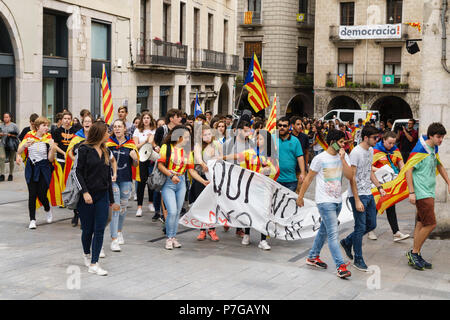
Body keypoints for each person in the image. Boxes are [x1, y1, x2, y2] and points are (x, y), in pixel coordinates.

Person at [296, 129, 352, 278]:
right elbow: (308, 179)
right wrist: (300, 197)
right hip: (324, 201)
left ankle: (312, 257)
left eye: (343, 143)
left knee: (324, 230)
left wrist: (343, 159)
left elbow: (350, 175)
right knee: (333, 235)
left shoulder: (344, 156)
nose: (343, 146)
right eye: (340, 142)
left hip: (337, 201)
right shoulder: (320, 158)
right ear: (332, 142)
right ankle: (340, 266)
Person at [340, 125, 386, 272]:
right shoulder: (356, 153)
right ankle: (358, 259)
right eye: (374, 138)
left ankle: (347, 241)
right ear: (366, 138)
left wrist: (379, 186)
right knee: (360, 227)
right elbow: (352, 178)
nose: (376, 140)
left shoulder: (371, 150)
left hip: (368, 193)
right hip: (357, 195)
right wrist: (357, 199)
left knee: (371, 224)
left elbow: (368, 170)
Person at [405, 123, 450, 271]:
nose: (441, 140)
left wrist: (448, 182)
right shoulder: (420, 149)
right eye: (438, 137)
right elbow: (408, 170)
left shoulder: (433, 148)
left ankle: (415, 254)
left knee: (421, 223)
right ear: (430, 135)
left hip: (428, 192)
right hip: (422, 193)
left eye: (442, 137)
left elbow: (439, 165)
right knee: (431, 224)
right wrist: (412, 192)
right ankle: (414, 253)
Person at [225, 129, 279, 249]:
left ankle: (263, 240)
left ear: (267, 141)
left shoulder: (271, 155)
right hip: (250, 187)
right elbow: (237, 156)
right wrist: (221, 157)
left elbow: (276, 169)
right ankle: (247, 234)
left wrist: (268, 170)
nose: (258, 141)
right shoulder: (250, 152)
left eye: (260, 139)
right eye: (257, 139)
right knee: (249, 209)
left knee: (264, 212)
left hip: (265, 188)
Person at [157, 125, 209, 250]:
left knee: (177, 212)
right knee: (172, 211)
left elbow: (191, 171)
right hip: (168, 182)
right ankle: (169, 238)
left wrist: (203, 181)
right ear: (178, 137)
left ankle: (173, 237)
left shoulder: (187, 152)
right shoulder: (166, 147)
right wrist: (171, 175)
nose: (187, 140)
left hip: (181, 183)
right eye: (185, 137)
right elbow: (160, 165)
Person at [75, 121, 114, 276]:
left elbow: (108, 176)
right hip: (87, 197)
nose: (109, 134)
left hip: (102, 195)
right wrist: (84, 192)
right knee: (87, 230)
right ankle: (86, 253)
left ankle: (94, 262)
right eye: (107, 131)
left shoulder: (106, 150)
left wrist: (111, 200)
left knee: (99, 229)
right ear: (100, 133)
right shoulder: (83, 149)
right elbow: (77, 173)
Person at [17, 117, 57, 229]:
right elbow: (19, 151)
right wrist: (25, 145)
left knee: (41, 193)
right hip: (32, 167)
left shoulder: (48, 138)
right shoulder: (29, 135)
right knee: (32, 194)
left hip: (44, 168)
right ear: (38, 126)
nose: (47, 128)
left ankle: (47, 208)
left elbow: (50, 159)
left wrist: (52, 148)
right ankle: (32, 220)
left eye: (47, 125)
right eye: (44, 125)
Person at [370, 131, 410, 242]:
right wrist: (381, 170)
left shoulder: (395, 150)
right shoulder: (375, 151)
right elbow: (369, 167)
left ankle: (396, 232)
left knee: (390, 205)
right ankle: (370, 229)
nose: (391, 145)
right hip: (379, 183)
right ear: (383, 140)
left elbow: (401, 164)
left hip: (391, 183)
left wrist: (403, 173)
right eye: (389, 143)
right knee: (377, 206)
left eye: (393, 143)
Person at [107, 119, 139, 252]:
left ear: (125, 128)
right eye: (115, 127)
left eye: (120, 126)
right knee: (115, 207)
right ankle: (114, 239)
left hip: (126, 179)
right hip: (112, 180)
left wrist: (135, 158)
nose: (117, 129)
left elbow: (136, 165)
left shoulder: (131, 145)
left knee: (123, 208)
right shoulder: (108, 144)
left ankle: (119, 231)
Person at [191, 125, 222, 242]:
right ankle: (202, 230)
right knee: (202, 203)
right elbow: (198, 157)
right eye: (205, 135)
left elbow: (221, 159)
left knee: (213, 204)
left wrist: (215, 159)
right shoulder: (198, 145)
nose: (208, 136)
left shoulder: (217, 144)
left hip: (214, 177)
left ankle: (212, 229)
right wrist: (203, 164)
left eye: (209, 134)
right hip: (201, 177)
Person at [66, 114, 93, 227]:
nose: (87, 123)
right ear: (82, 124)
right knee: (77, 192)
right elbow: (69, 152)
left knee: (87, 193)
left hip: (91, 171)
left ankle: (84, 217)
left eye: (89, 121)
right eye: (85, 121)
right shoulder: (77, 137)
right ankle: (76, 214)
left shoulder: (94, 137)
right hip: (78, 170)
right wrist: (77, 162)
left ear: (92, 124)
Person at [133, 111, 157, 218]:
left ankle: (151, 203)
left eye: (148, 118)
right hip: (141, 158)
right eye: (144, 118)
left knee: (151, 180)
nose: (146, 120)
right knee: (141, 182)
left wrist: (151, 141)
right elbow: (136, 146)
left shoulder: (154, 130)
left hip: (151, 158)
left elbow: (155, 144)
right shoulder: (137, 131)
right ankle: (139, 207)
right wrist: (146, 140)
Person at [276, 117, 305, 192]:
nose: (282, 127)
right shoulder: (272, 138)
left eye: (284, 126)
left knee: (289, 203)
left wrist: (302, 173)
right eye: (280, 125)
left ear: (289, 127)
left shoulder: (295, 141)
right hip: (275, 180)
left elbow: (300, 157)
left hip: (291, 181)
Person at [0, 112, 20, 181]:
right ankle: (2, 174)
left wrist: (10, 135)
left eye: (7, 117)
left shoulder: (14, 125)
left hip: (12, 144)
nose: (5, 119)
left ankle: (10, 174)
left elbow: (18, 135)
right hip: (3, 144)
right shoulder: (1, 125)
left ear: (10, 118)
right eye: (4, 117)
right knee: (2, 157)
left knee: (11, 159)